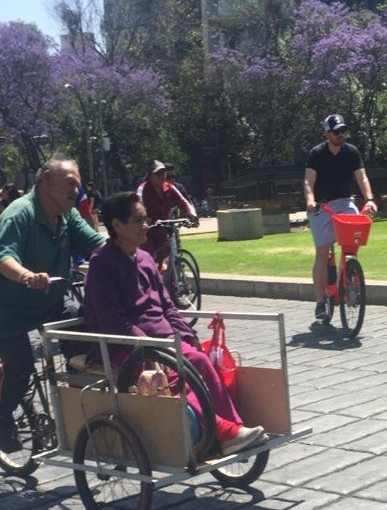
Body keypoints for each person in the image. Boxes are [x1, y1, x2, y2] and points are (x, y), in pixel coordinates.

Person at [83, 191, 267, 455]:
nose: (146, 226)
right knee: (175, 373)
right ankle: (222, 430)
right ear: (117, 225)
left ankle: (232, 430)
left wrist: (186, 333)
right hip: (125, 346)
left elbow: (167, 305)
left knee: (200, 360)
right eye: (138, 220)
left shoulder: (146, 258)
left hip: (163, 342)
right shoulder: (102, 264)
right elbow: (110, 317)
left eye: (146, 219)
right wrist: (145, 343)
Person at [0, 155, 105, 452]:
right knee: (20, 365)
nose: (75, 192)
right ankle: (1, 418)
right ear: (44, 182)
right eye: (69, 184)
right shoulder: (19, 214)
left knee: (84, 331)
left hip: (46, 299)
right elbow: (2, 257)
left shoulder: (67, 216)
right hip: (0, 307)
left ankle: (80, 402)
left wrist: (131, 259)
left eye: (78, 186)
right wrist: (28, 276)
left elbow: (97, 244)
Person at [304, 114, 377, 320]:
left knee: (352, 245)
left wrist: (369, 199)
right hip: (322, 205)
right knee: (322, 250)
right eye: (336, 132)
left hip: (345, 202)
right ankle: (320, 301)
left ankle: (349, 282)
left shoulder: (351, 152)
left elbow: (362, 177)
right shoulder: (316, 153)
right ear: (327, 133)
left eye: (342, 131)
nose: (340, 135)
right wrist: (310, 201)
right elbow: (309, 182)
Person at [136, 160, 198, 264]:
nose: (162, 176)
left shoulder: (170, 187)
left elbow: (184, 202)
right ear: (150, 176)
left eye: (163, 172)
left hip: (164, 230)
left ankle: (173, 277)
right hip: (147, 232)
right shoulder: (142, 189)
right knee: (148, 260)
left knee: (169, 257)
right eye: (158, 174)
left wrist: (192, 215)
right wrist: (145, 219)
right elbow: (138, 206)